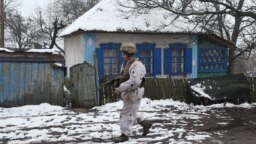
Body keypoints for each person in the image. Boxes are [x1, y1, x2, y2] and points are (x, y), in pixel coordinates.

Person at [113, 43, 152, 143]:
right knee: (132, 112)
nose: (122, 56)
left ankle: (125, 135)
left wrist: (120, 88)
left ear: (129, 54)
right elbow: (124, 76)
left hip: (134, 93)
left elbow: (135, 82)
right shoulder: (126, 64)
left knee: (126, 114)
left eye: (124, 54)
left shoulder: (137, 66)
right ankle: (145, 123)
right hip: (128, 94)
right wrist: (118, 80)